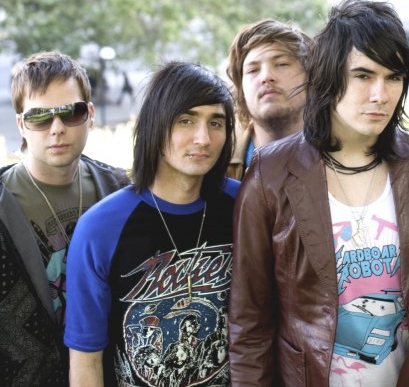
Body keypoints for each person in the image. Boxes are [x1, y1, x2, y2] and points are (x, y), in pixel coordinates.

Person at [229, 0, 409, 386]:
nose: (380, 94)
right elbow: (250, 323)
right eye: (363, 75)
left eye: (393, 77)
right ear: (329, 77)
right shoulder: (271, 174)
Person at [65, 61, 239, 387]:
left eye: (216, 122)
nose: (203, 138)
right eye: (186, 120)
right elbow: (86, 360)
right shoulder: (100, 229)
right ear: (155, 125)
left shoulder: (246, 207)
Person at [0, 51, 129, 386]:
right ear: (21, 125)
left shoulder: (120, 191)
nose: (56, 129)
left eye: (71, 112)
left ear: (90, 115)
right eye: (40, 117)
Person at [225, 18, 311, 179]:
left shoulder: (347, 152)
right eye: (253, 70)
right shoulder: (217, 162)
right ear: (241, 89)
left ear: (311, 78)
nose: (266, 77)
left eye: (282, 64)